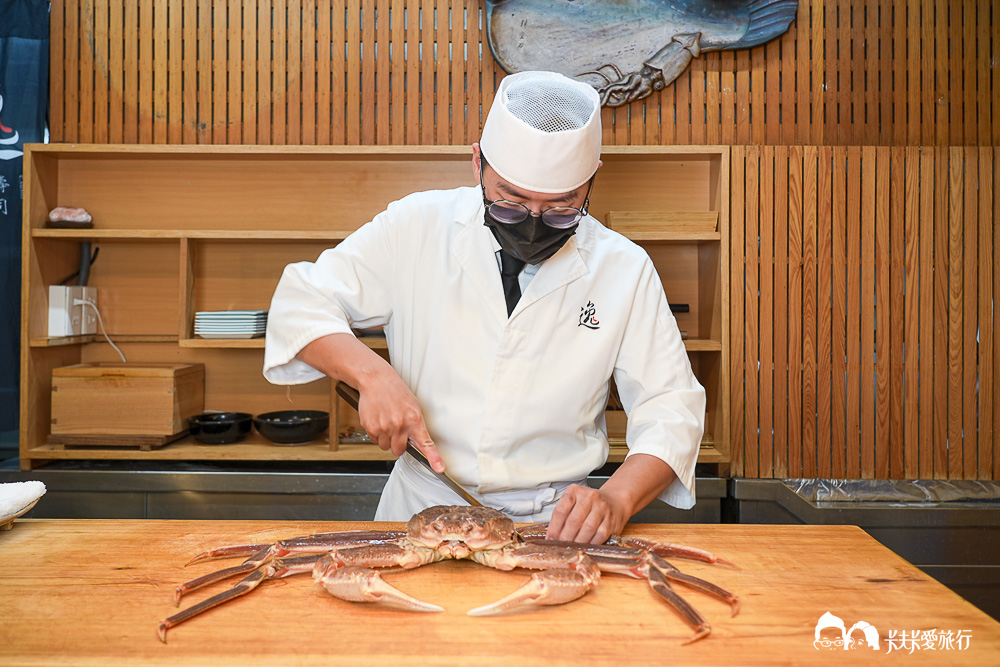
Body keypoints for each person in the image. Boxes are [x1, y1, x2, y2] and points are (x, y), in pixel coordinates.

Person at [263, 70, 705, 544]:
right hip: (421, 508)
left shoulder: (624, 268)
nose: (533, 226)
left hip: (554, 525)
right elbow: (300, 301)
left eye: (561, 209)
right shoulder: (416, 226)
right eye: (510, 204)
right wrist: (372, 376)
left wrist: (617, 499)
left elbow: (671, 410)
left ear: (591, 180)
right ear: (477, 164)